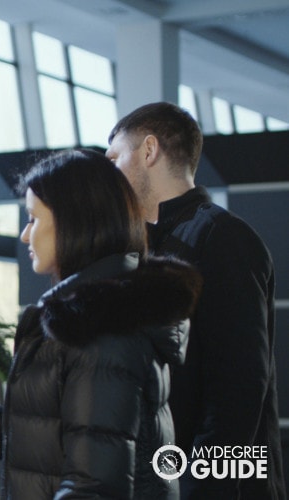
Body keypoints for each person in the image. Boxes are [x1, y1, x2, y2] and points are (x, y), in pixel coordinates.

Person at [0, 149, 202, 498]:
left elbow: (95, 487)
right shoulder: (94, 316)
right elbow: (40, 433)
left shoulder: (101, 328)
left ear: (73, 221)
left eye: (33, 218)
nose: (24, 235)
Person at [106, 101, 285, 499]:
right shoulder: (146, 247)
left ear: (149, 151)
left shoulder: (223, 237)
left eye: (115, 158)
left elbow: (239, 386)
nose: (109, 174)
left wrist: (200, 488)